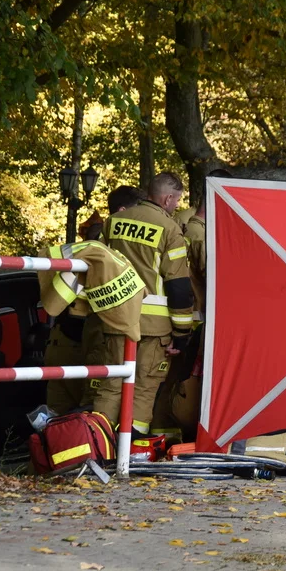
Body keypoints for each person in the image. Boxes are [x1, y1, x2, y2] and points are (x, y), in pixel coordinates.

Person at [87, 172, 194, 435]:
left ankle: (97, 446)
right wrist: (182, 334)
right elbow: (179, 287)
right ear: (168, 198)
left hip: (116, 320)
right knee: (144, 387)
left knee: (112, 384)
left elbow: (97, 267)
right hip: (153, 329)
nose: (177, 206)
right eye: (177, 201)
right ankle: (131, 455)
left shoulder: (113, 223)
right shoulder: (170, 230)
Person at [43, 186, 145, 414]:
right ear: (123, 211)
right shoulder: (109, 252)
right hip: (87, 340)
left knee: (57, 416)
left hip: (61, 340)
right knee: (85, 410)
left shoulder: (91, 246)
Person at [151, 171, 232, 442]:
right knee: (178, 383)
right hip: (196, 319)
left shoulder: (192, 228)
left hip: (190, 318)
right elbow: (217, 277)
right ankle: (169, 436)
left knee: (174, 382)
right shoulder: (199, 233)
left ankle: (167, 435)